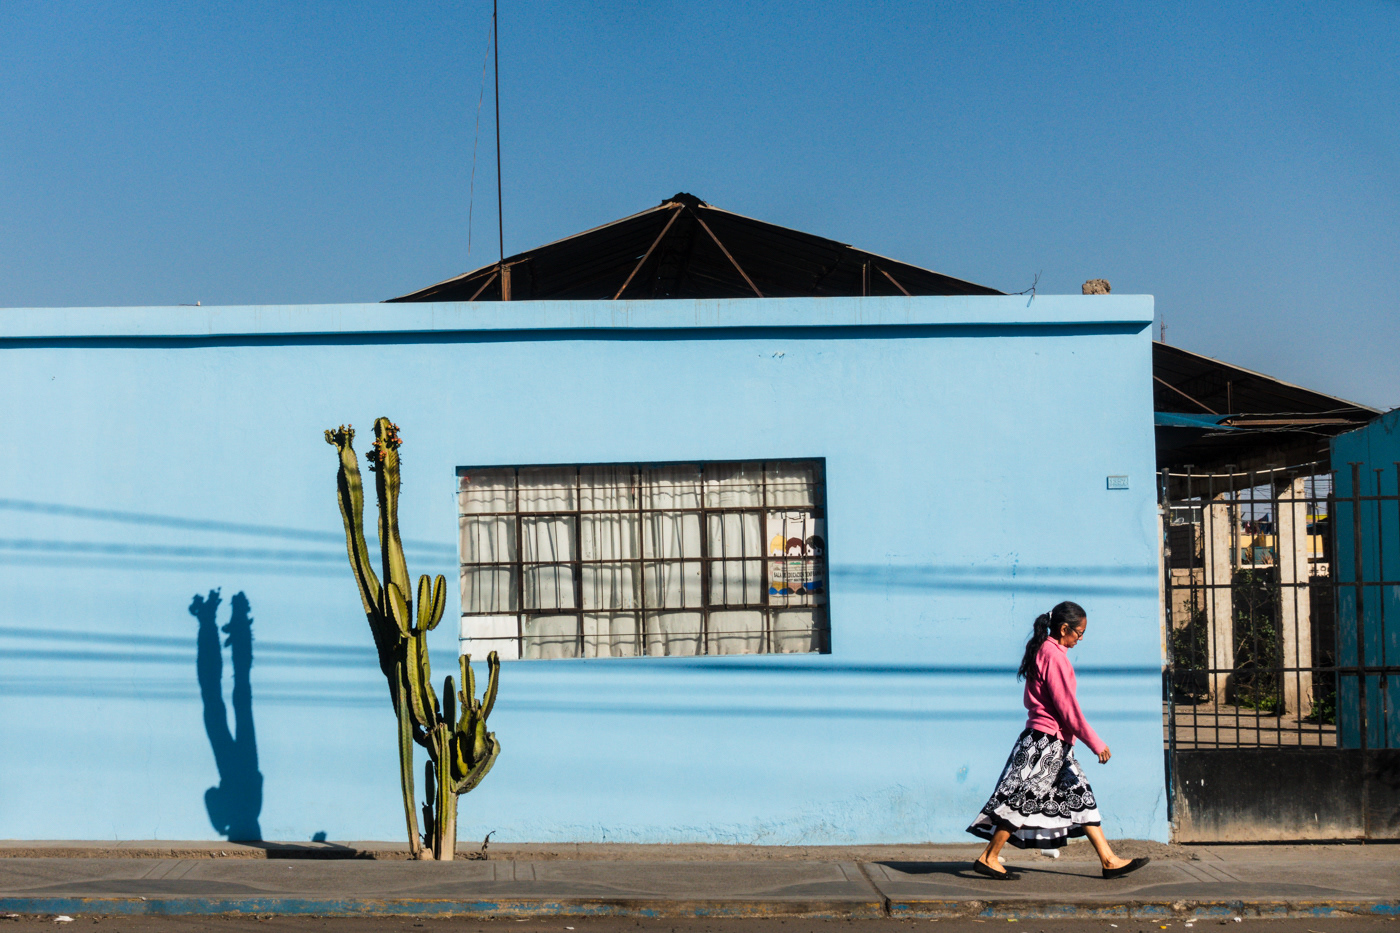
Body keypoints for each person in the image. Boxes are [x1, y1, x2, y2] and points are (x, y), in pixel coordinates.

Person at [965, 601, 1150, 880]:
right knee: (1023, 799)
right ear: (1064, 628)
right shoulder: (1054, 656)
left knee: (1080, 795)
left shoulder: (1048, 651)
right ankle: (989, 857)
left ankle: (1109, 860)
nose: (1081, 638)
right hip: (1046, 743)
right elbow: (1067, 709)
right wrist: (1095, 742)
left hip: (1055, 743)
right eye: (1079, 632)